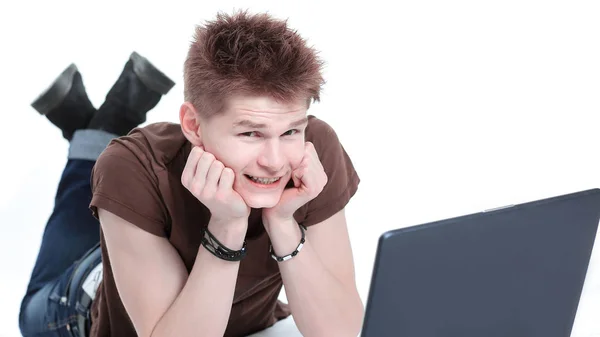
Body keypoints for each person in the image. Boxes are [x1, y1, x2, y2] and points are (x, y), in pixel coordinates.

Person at [21, 10, 363, 337]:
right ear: (193, 125)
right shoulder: (133, 166)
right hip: (84, 298)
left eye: (290, 131)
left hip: (144, 233)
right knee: (31, 307)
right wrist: (227, 226)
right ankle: (96, 138)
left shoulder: (312, 151)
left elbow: (340, 331)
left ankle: (100, 125)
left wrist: (283, 221)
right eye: (251, 133)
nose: (275, 162)